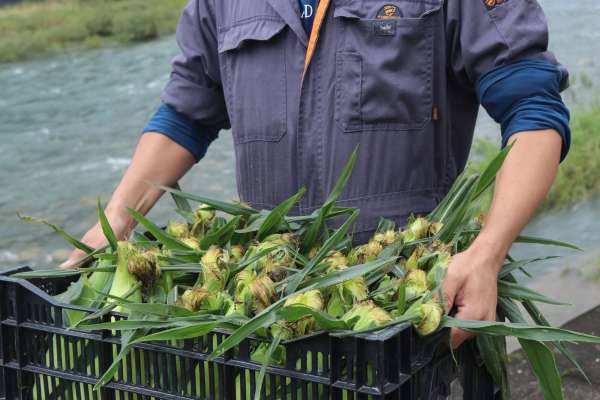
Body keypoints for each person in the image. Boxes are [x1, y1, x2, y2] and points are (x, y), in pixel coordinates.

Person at [61, 0, 570, 349]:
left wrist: (486, 253)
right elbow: (185, 115)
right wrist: (117, 219)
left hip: (403, 313)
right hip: (267, 312)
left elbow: (533, 110)